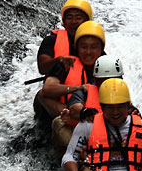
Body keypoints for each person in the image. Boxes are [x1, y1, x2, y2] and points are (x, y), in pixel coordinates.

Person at [37, 20, 106, 152]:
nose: (88, 52)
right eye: (84, 47)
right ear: (77, 48)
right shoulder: (67, 64)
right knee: (55, 117)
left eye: (93, 47)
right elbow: (46, 90)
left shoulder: (108, 66)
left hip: (99, 121)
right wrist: (79, 88)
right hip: (71, 116)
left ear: (101, 49)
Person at [36, 0, 92, 76]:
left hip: (87, 87)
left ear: (87, 21)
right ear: (63, 22)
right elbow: (43, 68)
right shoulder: (51, 40)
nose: (73, 22)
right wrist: (58, 60)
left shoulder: (95, 42)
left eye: (78, 18)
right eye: (69, 18)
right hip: (56, 87)